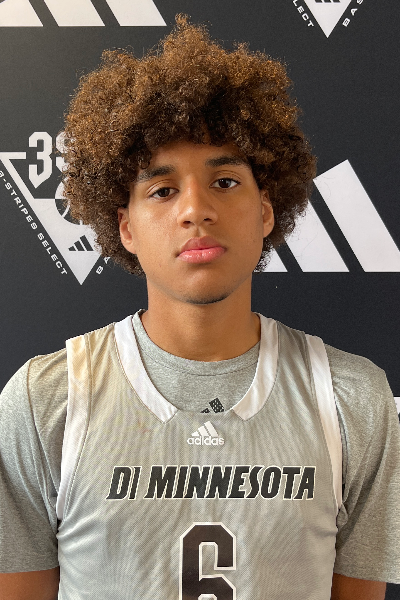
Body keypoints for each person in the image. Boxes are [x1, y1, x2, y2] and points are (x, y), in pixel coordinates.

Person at [0, 14, 399, 600]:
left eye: (225, 182)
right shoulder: (46, 402)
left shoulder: (352, 401)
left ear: (266, 211)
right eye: (163, 190)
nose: (195, 210)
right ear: (126, 227)